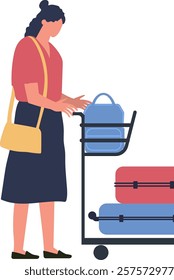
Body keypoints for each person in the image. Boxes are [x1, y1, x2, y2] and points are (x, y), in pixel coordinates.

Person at [1, 0, 90, 259]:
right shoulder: (26, 47)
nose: (59, 30)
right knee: (23, 186)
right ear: (45, 21)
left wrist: (70, 101)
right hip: (30, 119)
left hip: (51, 121)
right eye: (57, 25)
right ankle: (18, 248)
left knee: (48, 185)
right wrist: (57, 104)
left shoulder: (54, 53)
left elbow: (49, 91)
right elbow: (29, 93)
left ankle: (49, 246)